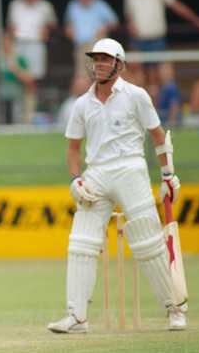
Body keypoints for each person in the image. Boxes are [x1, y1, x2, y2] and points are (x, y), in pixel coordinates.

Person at [47, 38, 187, 333]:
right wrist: (76, 180)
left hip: (131, 167)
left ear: (118, 64)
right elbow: (73, 149)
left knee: (147, 241)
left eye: (105, 59)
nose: (99, 64)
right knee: (81, 243)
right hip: (96, 171)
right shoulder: (82, 104)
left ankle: (175, 308)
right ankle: (77, 317)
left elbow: (159, 137)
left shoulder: (136, 95)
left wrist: (167, 176)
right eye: (96, 59)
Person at [64, 0, 118, 78]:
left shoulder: (100, 4)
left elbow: (114, 23)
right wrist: (70, 32)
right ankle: (77, 94)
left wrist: (105, 28)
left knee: (100, 76)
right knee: (82, 76)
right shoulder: (73, 5)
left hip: (98, 46)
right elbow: (68, 25)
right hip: (81, 46)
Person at [6, 0, 57, 81]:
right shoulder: (15, 5)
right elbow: (9, 26)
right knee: (16, 73)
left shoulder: (45, 6)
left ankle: (31, 97)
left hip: (36, 43)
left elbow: (53, 25)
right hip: (18, 43)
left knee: (35, 75)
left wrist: (47, 29)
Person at [0, 34, 35, 124]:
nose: (6, 46)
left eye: (8, 44)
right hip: (1, 97)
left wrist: (15, 69)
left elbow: (29, 80)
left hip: (17, 97)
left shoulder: (19, 59)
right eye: (3, 44)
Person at [156, 63, 182, 127]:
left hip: (168, 124)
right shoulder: (162, 88)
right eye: (162, 69)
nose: (164, 72)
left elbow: (174, 106)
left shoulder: (171, 87)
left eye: (166, 69)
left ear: (172, 72)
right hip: (162, 122)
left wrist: (171, 123)